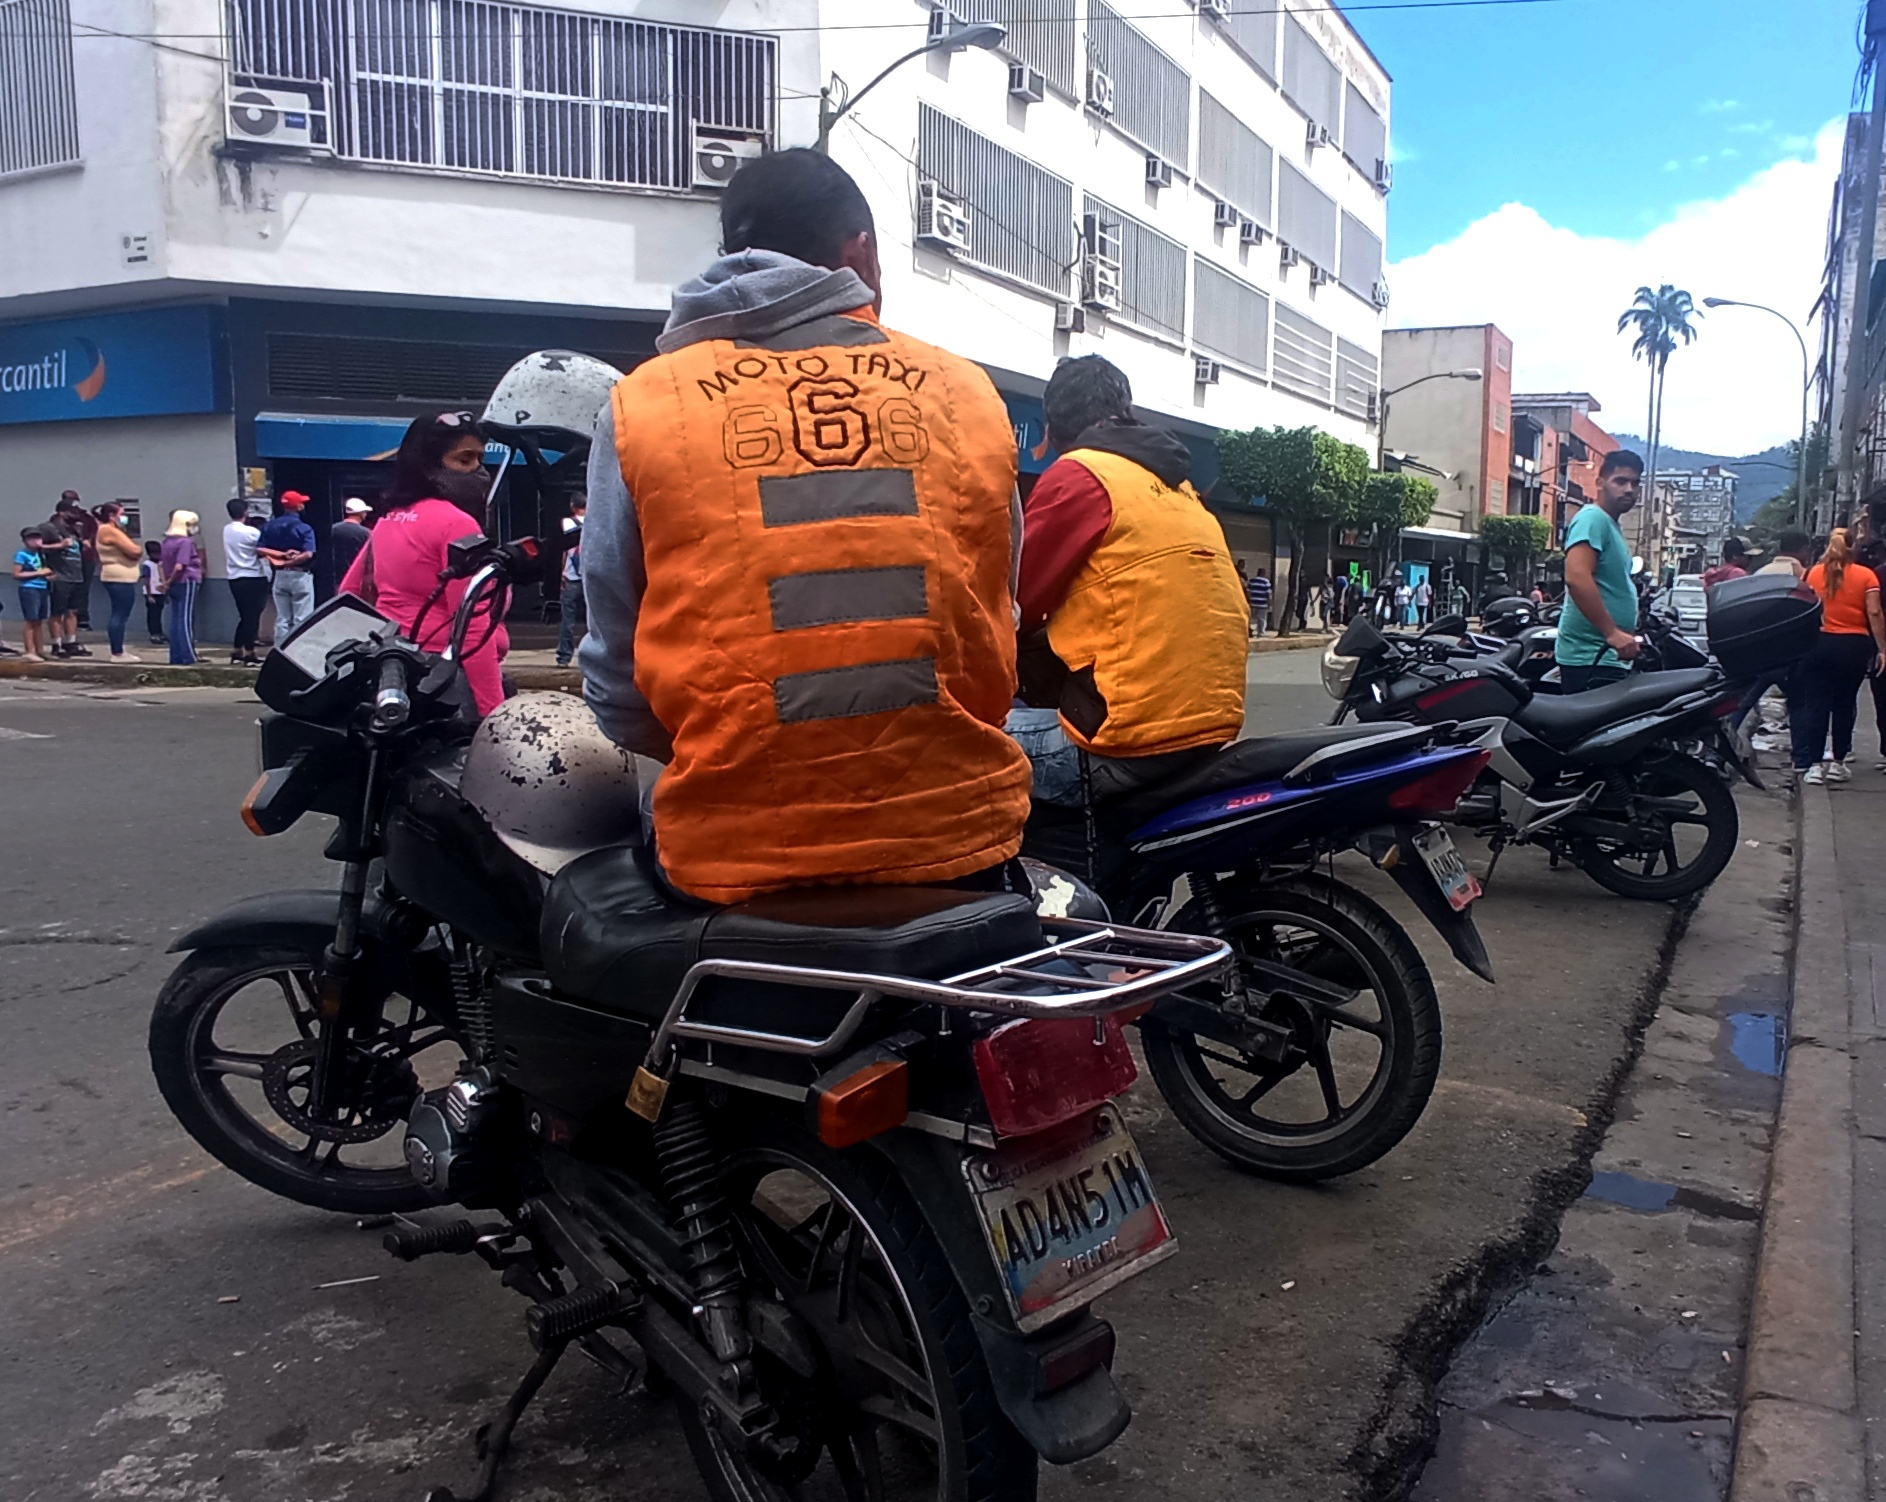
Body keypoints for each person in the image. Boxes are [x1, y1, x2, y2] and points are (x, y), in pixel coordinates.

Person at [579, 147, 1031, 903]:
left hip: (735, 859)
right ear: (861, 254)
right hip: (956, 837)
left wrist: (728, 748)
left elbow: (618, 680)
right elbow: (997, 621)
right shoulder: (967, 393)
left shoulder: (643, 406)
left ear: (731, 256)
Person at [1014, 353, 1248, 804]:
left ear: (1053, 428)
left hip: (1126, 738)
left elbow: (1013, 603)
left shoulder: (1081, 474)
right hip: (1208, 727)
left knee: (938, 743)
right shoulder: (1179, 488)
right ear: (1127, 411)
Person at [338, 411, 509, 716]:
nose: (479, 472)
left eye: (480, 461)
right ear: (428, 465)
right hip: (445, 679)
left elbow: (349, 595)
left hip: (394, 668)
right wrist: (493, 714)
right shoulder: (458, 525)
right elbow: (471, 626)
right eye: (464, 460)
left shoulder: (388, 520)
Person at [1793, 528, 1886, 785]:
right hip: (1854, 646)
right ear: (1853, 547)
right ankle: (1838, 762)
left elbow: (1801, 608)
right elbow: (1875, 613)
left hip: (1817, 643)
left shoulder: (1811, 574)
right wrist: (1882, 649)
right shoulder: (1866, 576)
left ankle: (1814, 766)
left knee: (1816, 704)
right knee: (1844, 703)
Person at [1556, 451, 1645, 692]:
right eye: (1620, 481)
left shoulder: (1609, 524)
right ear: (1600, 482)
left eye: (1635, 483)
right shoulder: (1592, 519)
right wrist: (1611, 633)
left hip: (1605, 657)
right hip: (1590, 658)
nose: (1629, 489)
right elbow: (1577, 577)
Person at [258, 491, 318, 640]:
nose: (303, 505)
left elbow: (259, 549)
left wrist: (279, 559)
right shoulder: (304, 528)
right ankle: (298, 650)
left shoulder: (269, 526)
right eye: (302, 503)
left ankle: (279, 650)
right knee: (301, 618)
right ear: (297, 506)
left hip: (279, 574)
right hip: (300, 575)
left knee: (282, 618)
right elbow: (308, 554)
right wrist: (289, 560)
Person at [92, 502, 144, 663]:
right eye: (122, 513)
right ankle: (117, 652)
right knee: (119, 614)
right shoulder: (109, 530)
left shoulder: (111, 530)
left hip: (121, 576)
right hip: (119, 577)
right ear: (112, 516)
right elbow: (135, 551)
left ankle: (119, 650)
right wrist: (136, 550)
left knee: (120, 613)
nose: (125, 517)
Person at [38, 501, 89, 658]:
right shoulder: (48, 528)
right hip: (60, 576)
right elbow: (37, 547)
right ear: (62, 512)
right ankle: (56, 643)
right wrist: (59, 546)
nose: (76, 516)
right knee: (57, 612)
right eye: (73, 513)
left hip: (76, 575)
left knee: (73, 611)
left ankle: (71, 642)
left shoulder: (74, 529)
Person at [223, 499, 269, 666]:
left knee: (244, 615)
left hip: (235, 577)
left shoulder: (227, 530)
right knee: (253, 616)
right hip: (253, 576)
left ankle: (237, 649)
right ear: (246, 512)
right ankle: (249, 652)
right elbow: (262, 549)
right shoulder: (252, 532)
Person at [159, 510, 205, 666]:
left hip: (174, 584)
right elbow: (180, 565)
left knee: (175, 619)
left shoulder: (166, 542)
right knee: (185, 619)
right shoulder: (185, 542)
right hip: (187, 580)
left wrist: (166, 581)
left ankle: (176, 655)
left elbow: (161, 564)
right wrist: (169, 581)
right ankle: (188, 655)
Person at [57, 491, 100, 631]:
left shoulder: (86, 518)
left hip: (86, 558)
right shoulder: (57, 519)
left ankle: (82, 618)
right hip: (66, 559)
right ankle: (63, 617)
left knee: (83, 589)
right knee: (64, 589)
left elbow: (95, 534)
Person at [555, 495, 587, 668]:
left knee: (568, 619)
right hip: (590, 579)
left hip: (571, 578)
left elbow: (564, 550)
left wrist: (561, 574)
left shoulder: (567, 523)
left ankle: (564, 657)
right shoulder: (595, 523)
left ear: (572, 506)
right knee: (593, 622)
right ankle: (591, 658)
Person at [13, 527, 53, 662]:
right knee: (31, 620)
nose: (36, 541)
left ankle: (39, 649)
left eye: (38, 538)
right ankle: (29, 650)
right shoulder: (22, 555)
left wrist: (49, 576)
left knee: (39, 621)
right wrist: (38, 573)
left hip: (42, 587)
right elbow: (17, 574)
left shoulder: (41, 554)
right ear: (25, 541)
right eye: (32, 538)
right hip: (29, 588)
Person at [329, 497, 373, 584]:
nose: (365, 514)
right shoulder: (367, 533)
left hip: (336, 574)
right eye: (364, 512)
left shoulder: (333, 529)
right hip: (358, 575)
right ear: (360, 513)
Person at [140, 540, 166, 646]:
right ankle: (154, 633)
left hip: (160, 592)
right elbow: (147, 579)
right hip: (151, 592)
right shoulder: (147, 565)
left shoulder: (160, 564)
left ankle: (159, 632)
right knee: (153, 615)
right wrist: (149, 595)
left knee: (159, 614)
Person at [1243, 562, 1272, 638]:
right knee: (1261, 619)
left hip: (1253, 603)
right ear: (1263, 573)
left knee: (1251, 618)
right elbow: (1268, 593)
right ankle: (1261, 633)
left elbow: (1248, 591)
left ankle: (1249, 631)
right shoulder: (1266, 582)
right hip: (1262, 604)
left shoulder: (1252, 581)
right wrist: (1269, 603)